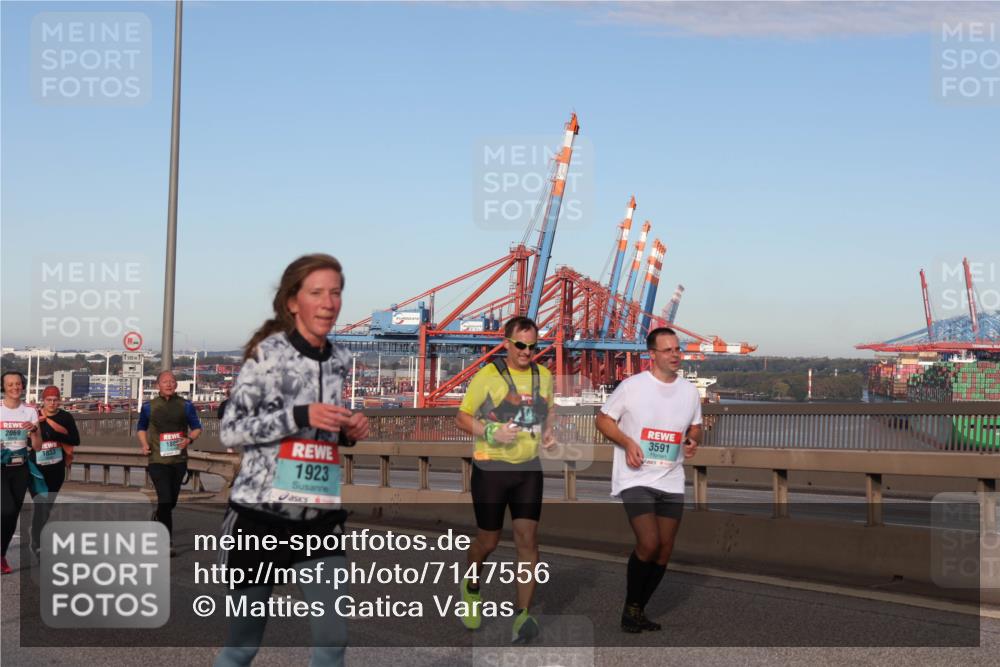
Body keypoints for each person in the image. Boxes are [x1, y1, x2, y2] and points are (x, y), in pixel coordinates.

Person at [215, 253, 369, 667]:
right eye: (316, 292)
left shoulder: (339, 360)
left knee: (333, 639)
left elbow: (319, 432)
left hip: (318, 515)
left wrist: (345, 430)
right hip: (259, 517)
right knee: (243, 645)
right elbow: (231, 430)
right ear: (292, 302)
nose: (329, 302)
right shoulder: (268, 354)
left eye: (335, 293)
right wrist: (299, 416)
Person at [455, 316, 557, 644]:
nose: (527, 352)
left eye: (533, 346)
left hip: (528, 469)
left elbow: (548, 411)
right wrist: (490, 430)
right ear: (507, 343)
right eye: (521, 345)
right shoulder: (489, 376)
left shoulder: (544, 376)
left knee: (528, 542)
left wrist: (548, 433)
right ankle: (471, 587)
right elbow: (461, 417)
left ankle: (522, 616)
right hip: (491, 469)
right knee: (489, 541)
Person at [596, 327, 703, 632]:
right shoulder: (632, 387)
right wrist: (628, 442)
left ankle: (637, 609)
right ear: (652, 355)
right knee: (649, 541)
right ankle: (632, 606)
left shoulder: (689, 391)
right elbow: (603, 420)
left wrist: (692, 440)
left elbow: (695, 427)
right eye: (667, 350)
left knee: (665, 549)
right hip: (636, 477)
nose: (675, 355)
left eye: (677, 349)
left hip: (670, 478)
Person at [136, 370, 203, 554]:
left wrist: (189, 439)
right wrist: (144, 444)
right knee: (165, 499)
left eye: (172, 381)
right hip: (157, 460)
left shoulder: (186, 405)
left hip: (178, 460)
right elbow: (141, 428)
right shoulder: (149, 407)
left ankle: (158, 516)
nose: (169, 384)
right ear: (157, 385)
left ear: (176, 385)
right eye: (165, 381)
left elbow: (197, 428)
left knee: (170, 501)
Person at [29, 385, 80, 557]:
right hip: (36, 467)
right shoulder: (33, 416)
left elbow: (75, 439)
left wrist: (58, 434)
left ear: (59, 400)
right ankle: (37, 541)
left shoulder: (65, 417)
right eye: (49, 400)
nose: (52, 403)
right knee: (40, 503)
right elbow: (26, 440)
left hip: (56, 467)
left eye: (55, 399)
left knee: (47, 504)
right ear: (43, 401)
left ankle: (38, 534)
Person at [1, 370, 42, 575]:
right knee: (6, 509)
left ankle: (1, 555)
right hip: (0, 465)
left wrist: (34, 431)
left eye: (18, 384)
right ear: (4, 387)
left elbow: (38, 447)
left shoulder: (31, 411)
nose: (15, 388)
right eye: (10, 384)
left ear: (23, 385)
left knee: (12, 515)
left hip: (21, 467)